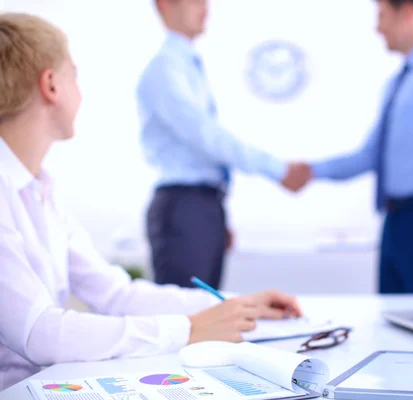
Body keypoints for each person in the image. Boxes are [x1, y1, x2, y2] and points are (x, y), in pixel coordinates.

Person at [0, 12, 302, 391]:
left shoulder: (43, 188)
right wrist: (189, 329)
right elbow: (40, 333)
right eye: (74, 75)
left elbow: (116, 294)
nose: (81, 89)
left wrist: (239, 304)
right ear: (51, 85)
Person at [298, 0, 413, 294]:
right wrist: (310, 171)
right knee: (391, 322)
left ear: (409, 12)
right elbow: (370, 156)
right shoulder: (396, 83)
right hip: (394, 222)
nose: (378, 28)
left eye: (382, 16)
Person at [137, 0, 306, 290]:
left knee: (207, 315)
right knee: (189, 317)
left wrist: (214, 216)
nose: (205, 6)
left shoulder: (186, 65)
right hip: (184, 209)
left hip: (201, 206)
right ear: (165, 4)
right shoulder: (165, 70)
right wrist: (277, 169)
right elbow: (207, 136)